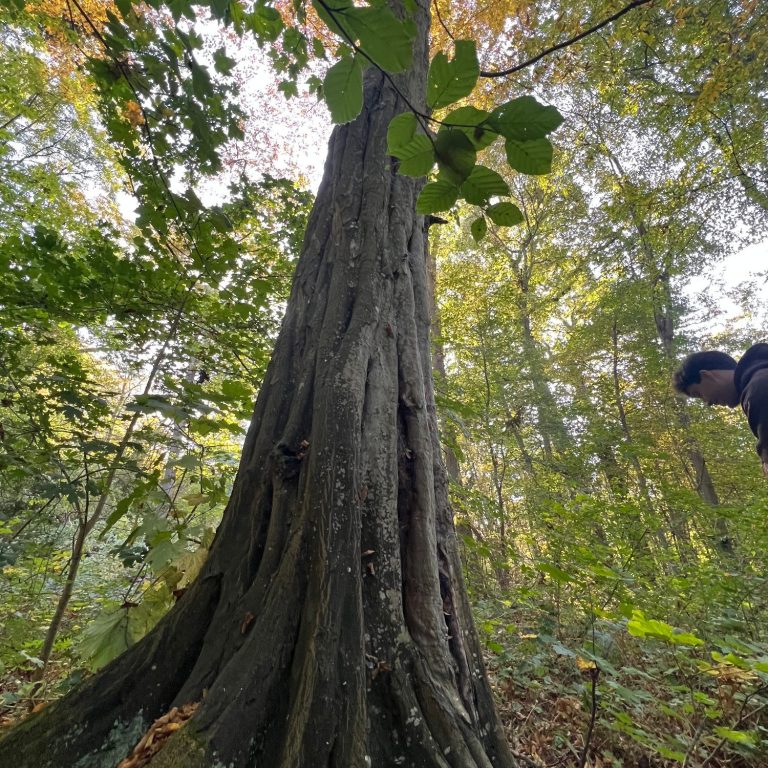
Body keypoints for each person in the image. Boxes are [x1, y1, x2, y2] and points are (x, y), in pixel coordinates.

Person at [673, 343, 768, 474]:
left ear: (706, 375)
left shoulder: (758, 390)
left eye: (698, 394)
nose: (707, 402)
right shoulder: (760, 376)